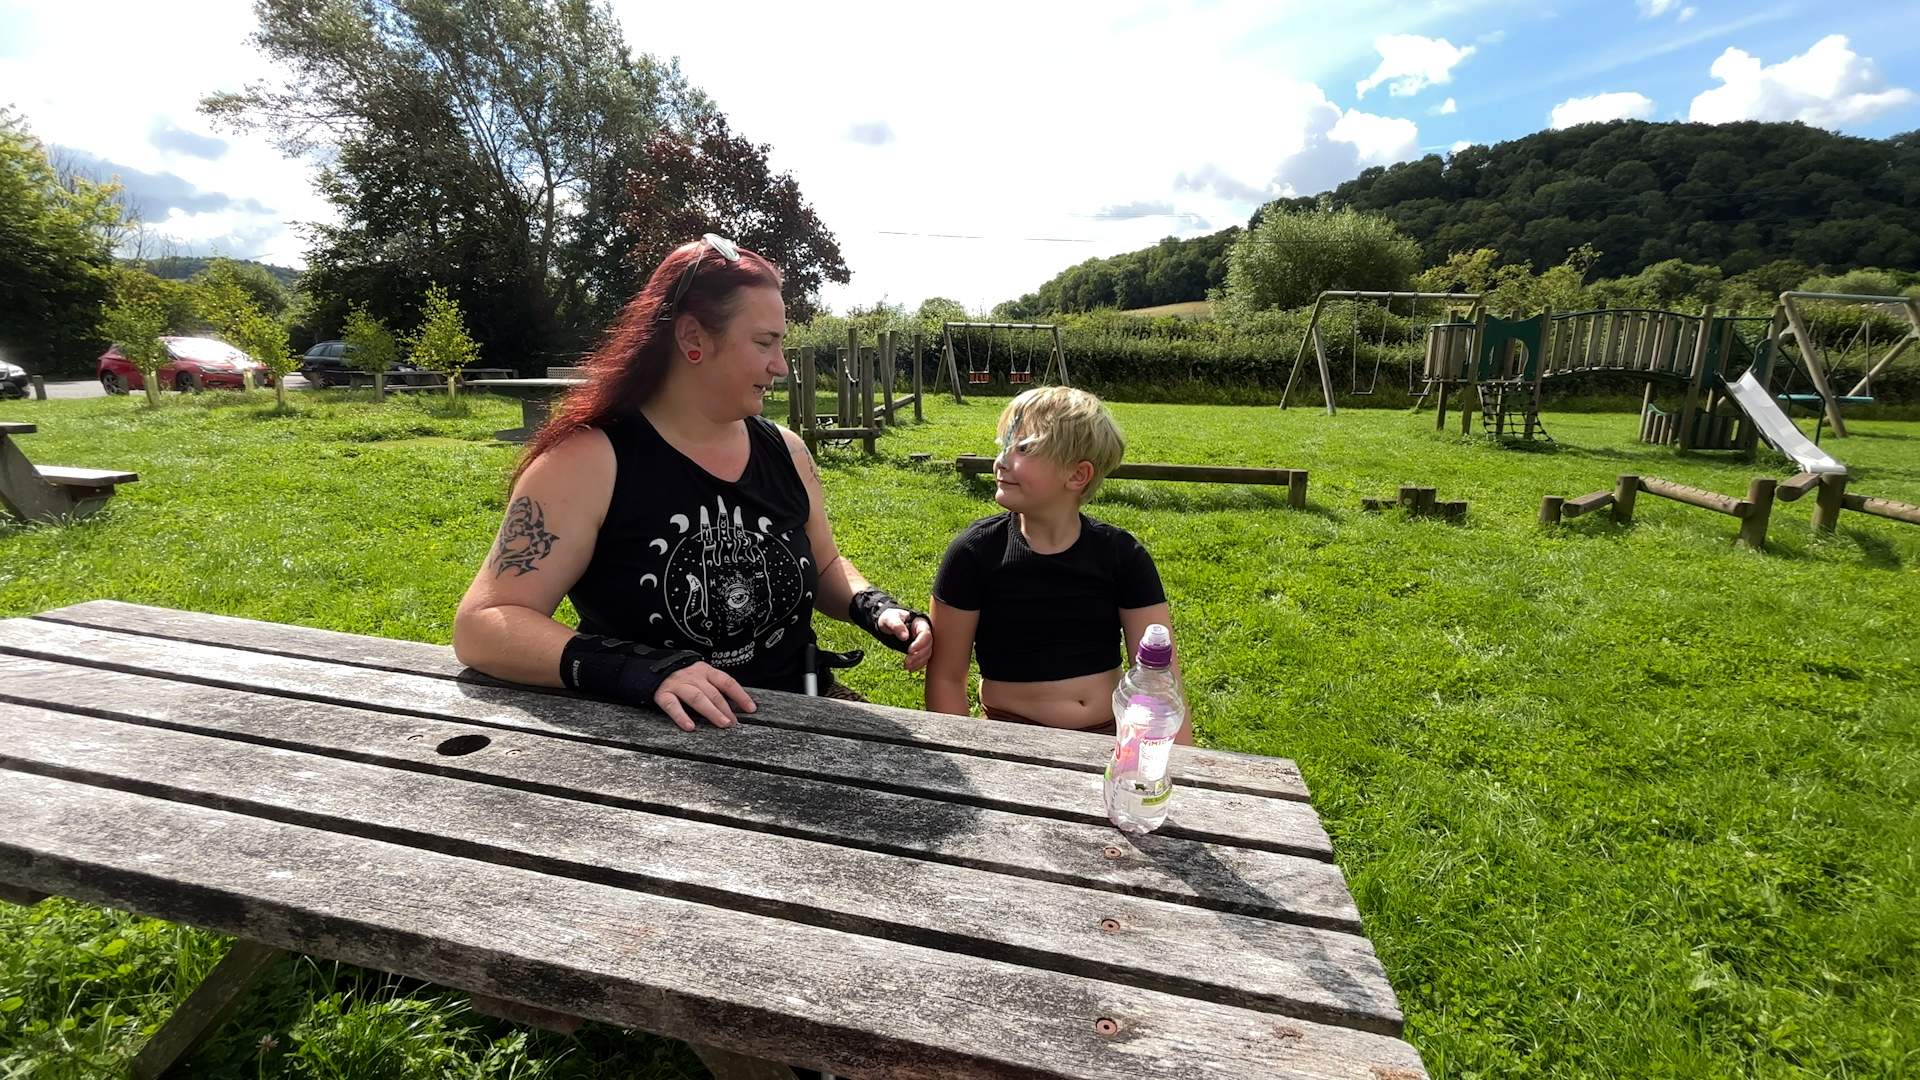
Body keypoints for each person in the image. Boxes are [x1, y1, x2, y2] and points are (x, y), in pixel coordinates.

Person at [453, 234, 931, 730]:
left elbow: (825, 562)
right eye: (764, 342)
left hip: (799, 709)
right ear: (692, 339)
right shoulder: (585, 462)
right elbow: (483, 625)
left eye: (780, 343)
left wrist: (873, 607)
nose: (781, 365)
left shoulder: (787, 452)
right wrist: (641, 670)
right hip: (659, 732)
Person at [924, 386, 1191, 742]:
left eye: (1023, 449)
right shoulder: (974, 552)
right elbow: (946, 677)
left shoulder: (1122, 555)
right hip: (1010, 735)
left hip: (1108, 737)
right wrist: (960, 754)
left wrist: (1182, 765)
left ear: (1077, 475)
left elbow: (1162, 682)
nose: (1001, 461)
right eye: (1003, 445)